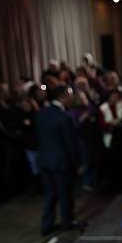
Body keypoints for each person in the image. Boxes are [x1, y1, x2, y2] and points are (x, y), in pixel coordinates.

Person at [36, 86, 82, 235]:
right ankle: (67, 222)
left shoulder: (41, 114)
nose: (72, 98)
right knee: (65, 194)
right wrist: (78, 164)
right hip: (61, 162)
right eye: (69, 95)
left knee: (50, 194)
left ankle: (46, 225)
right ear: (62, 97)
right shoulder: (64, 117)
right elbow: (70, 144)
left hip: (44, 161)